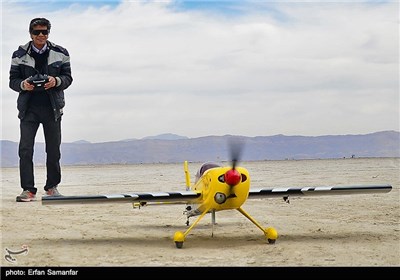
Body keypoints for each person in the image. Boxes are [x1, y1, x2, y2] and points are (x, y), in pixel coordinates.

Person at [9, 18, 73, 202]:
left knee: (53, 149)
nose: (41, 35)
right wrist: (23, 85)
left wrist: (56, 81)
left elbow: (68, 78)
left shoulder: (61, 53)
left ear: (48, 33)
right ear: (30, 33)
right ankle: (28, 190)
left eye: (44, 32)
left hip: (52, 108)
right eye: (37, 32)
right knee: (25, 150)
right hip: (29, 109)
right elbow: (12, 81)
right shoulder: (18, 54)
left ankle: (52, 187)